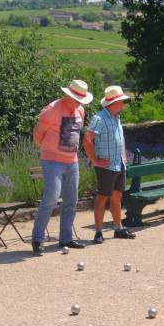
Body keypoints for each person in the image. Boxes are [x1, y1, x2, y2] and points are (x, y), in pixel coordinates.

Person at [30, 79, 93, 255]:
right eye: (77, 98)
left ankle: (66, 238)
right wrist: (47, 151)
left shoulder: (80, 110)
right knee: (51, 197)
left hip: (72, 161)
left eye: (81, 99)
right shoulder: (52, 110)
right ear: (67, 95)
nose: (80, 102)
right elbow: (38, 133)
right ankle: (37, 239)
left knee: (71, 201)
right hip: (52, 161)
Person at [83, 85, 136, 243]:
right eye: (121, 101)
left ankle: (118, 229)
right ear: (113, 103)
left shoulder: (116, 117)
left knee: (117, 196)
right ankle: (98, 232)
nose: (123, 104)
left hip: (119, 163)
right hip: (106, 166)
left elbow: (120, 138)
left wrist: (124, 155)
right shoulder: (99, 118)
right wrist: (95, 160)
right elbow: (87, 139)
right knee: (102, 197)